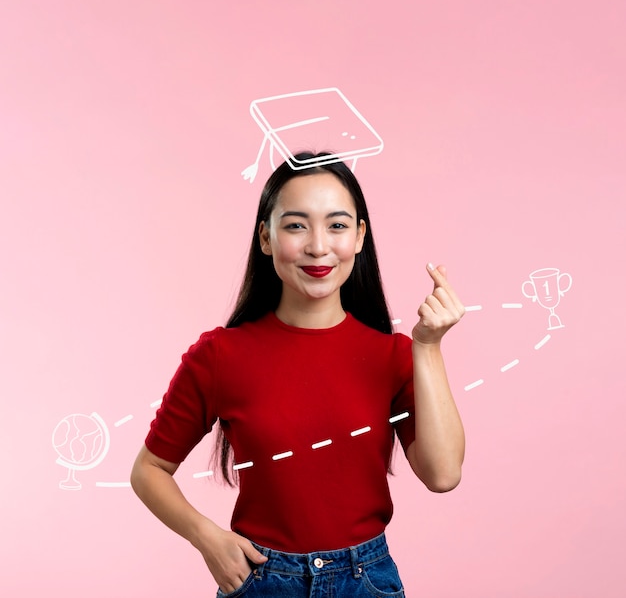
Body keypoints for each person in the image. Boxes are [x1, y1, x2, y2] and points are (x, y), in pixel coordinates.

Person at [131, 152, 465, 597]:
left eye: (337, 225)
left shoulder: (395, 356)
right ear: (266, 238)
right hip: (263, 580)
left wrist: (428, 345)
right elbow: (149, 469)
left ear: (360, 237)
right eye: (295, 225)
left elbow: (443, 475)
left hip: (365, 582)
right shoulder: (220, 355)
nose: (318, 246)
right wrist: (206, 538)